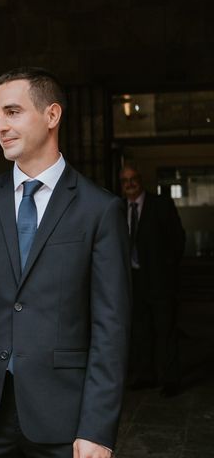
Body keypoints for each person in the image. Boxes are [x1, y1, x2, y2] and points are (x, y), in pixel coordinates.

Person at [0, 67, 131, 458]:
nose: (1, 125)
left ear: (52, 116)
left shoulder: (99, 209)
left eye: (13, 112)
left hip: (64, 416)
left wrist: (98, 428)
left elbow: (110, 326)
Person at [120, 164, 185, 397]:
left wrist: (167, 271)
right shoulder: (118, 209)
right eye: (125, 180)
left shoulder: (161, 205)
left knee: (165, 331)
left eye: (133, 178)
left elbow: (178, 240)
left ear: (141, 179)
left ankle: (170, 380)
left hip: (160, 282)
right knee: (140, 331)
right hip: (133, 282)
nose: (130, 184)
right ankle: (145, 376)